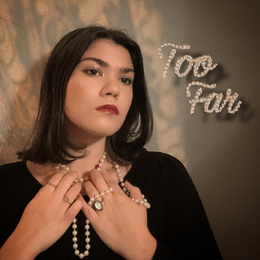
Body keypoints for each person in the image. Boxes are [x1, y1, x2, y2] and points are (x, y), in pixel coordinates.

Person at [0, 26, 222, 260]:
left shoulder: (165, 175)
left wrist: (144, 250)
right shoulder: (4, 186)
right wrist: (18, 248)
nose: (114, 89)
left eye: (126, 79)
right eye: (94, 71)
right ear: (58, 82)